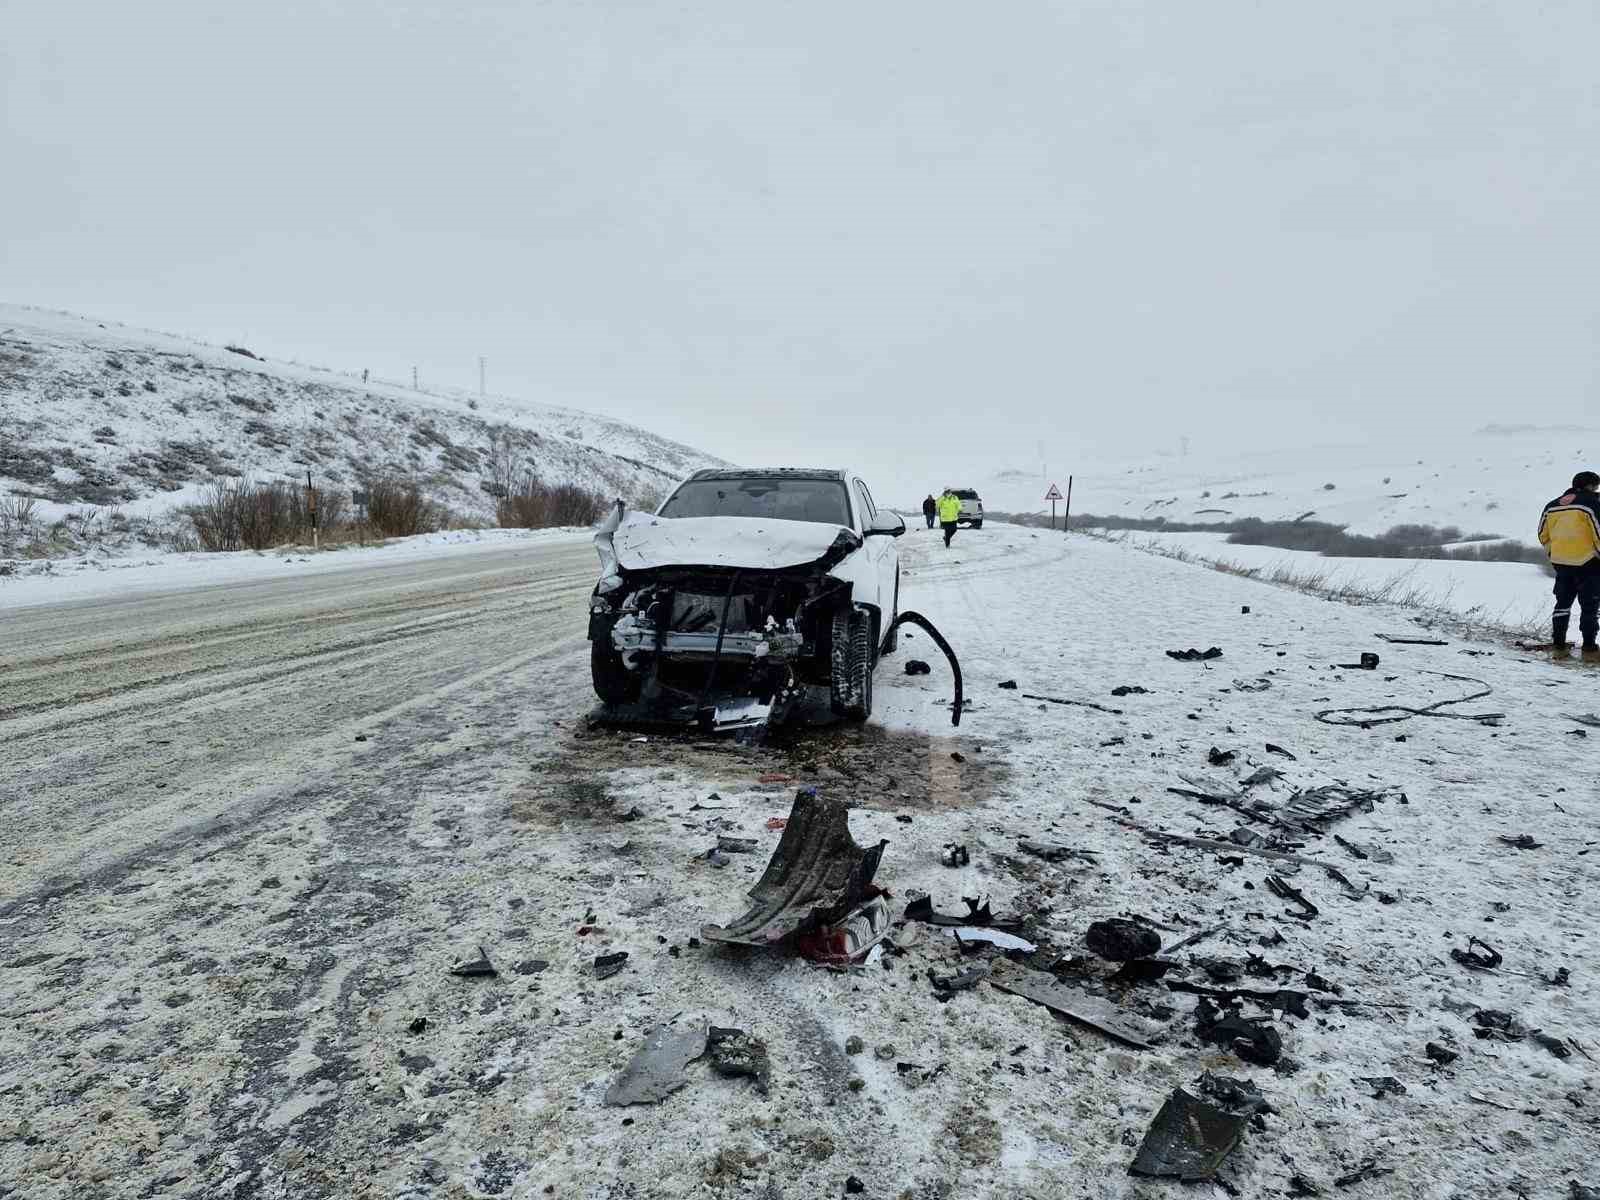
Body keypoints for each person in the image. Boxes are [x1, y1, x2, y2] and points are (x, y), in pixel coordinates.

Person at [1537, 470, 1600, 659]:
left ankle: (1559, 647)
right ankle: (1589, 650)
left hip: (1561, 564)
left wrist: (1553, 554)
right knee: (1589, 607)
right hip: (1589, 563)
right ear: (1590, 486)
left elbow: (1542, 535)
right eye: (1596, 486)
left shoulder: (1552, 505)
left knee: (1562, 605)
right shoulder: (1591, 504)